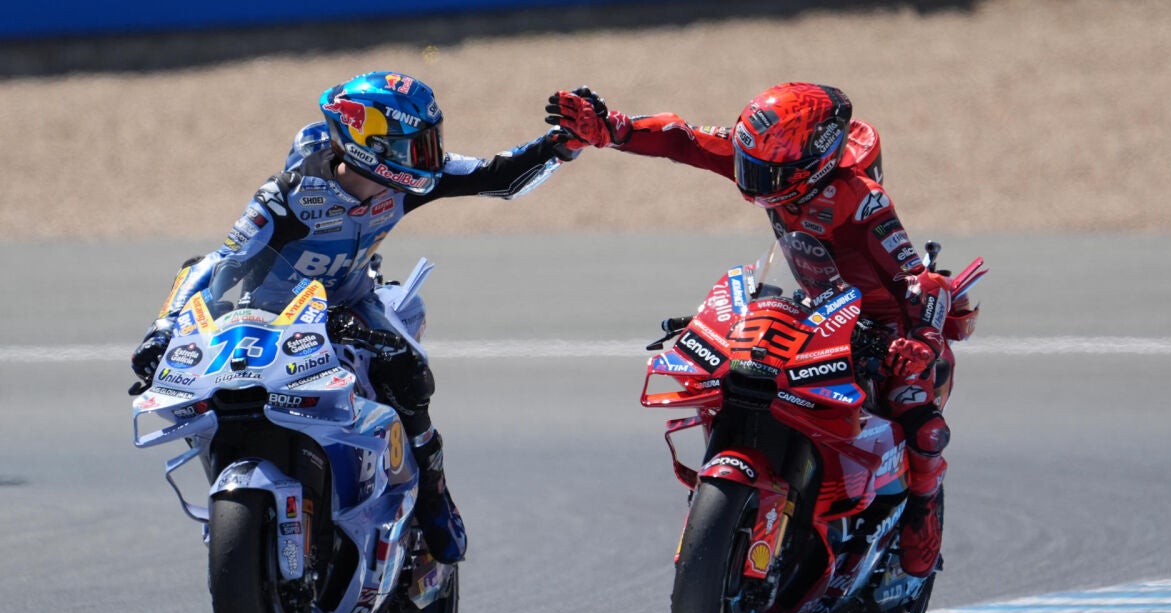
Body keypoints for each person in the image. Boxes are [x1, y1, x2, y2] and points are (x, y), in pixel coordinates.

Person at [131, 70, 579, 564]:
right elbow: (218, 263)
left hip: (353, 305)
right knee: (216, 393)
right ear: (369, 145)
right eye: (416, 145)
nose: (430, 157)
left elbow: (500, 177)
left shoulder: (408, 181)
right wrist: (163, 330)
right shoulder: (287, 194)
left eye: (431, 142)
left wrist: (562, 144)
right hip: (273, 320)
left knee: (407, 370)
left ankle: (433, 495)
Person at [546, 83, 953, 578]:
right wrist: (613, 129)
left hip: (885, 330)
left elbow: (921, 281)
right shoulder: (766, 157)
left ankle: (923, 516)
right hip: (816, 302)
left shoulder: (861, 201)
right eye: (746, 164)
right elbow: (682, 139)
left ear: (813, 165)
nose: (749, 177)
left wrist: (922, 341)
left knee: (921, 422)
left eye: (764, 172)